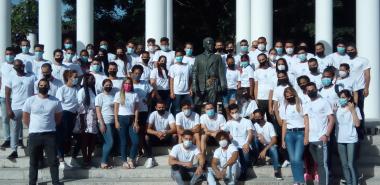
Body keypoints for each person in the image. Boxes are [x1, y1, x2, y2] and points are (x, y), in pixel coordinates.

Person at [23, 79, 62, 185]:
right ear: (38, 86)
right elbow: (25, 118)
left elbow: (58, 118)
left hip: (50, 134)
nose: (43, 87)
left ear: (49, 87)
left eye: (45, 85)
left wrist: (50, 126)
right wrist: (33, 128)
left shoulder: (55, 101)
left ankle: (56, 182)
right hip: (34, 135)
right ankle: (32, 182)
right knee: (33, 161)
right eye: (41, 85)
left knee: (53, 161)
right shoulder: (30, 100)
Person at [303, 82, 335, 185]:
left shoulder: (324, 102)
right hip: (311, 140)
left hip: (321, 139)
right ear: (306, 92)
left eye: (312, 89)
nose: (310, 91)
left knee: (323, 165)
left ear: (316, 89)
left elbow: (331, 119)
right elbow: (307, 122)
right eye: (308, 90)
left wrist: (326, 135)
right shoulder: (306, 104)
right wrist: (306, 137)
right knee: (319, 164)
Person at [5, 59, 36, 159]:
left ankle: (33, 148)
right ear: (14, 67)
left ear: (23, 65)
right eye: (17, 66)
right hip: (15, 107)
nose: (20, 67)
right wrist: (8, 109)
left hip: (29, 107)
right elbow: (7, 94)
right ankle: (14, 150)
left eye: (21, 65)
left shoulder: (32, 76)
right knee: (14, 129)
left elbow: (36, 92)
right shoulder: (11, 77)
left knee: (33, 128)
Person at [280, 87, 307, 185]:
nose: (289, 97)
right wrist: (283, 140)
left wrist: (306, 136)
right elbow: (284, 124)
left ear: (294, 94)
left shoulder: (300, 104)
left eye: (291, 95)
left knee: (297, 158)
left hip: (300, 133)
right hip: (289, 134)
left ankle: (301, 181)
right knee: (292, 159)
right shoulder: (284, 106)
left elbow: (306, 121)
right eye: (287, 96)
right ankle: (296, 181)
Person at [192, 37, 227, 111]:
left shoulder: (217, 57)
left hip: (213, 84)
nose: (211, 45)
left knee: (212, 104)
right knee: (197, 105)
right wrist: (194, 85)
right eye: (208, 44)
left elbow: (221, 72)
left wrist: (223, 85)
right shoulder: (198, 57)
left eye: (212, 44)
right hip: (201, 84)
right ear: (204, 45)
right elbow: (194, 72)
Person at [345, 44, 371, 139]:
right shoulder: (345, 61)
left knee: (359, 109)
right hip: (347, 90)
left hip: (359, 89)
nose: (350, 51)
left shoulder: (363, 60)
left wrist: (366, 88)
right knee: (347, 110)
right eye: (348, 50)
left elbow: (367, 75)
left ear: (356, 50)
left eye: (352, 49)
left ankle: (360, 131)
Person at [336, 90, 361, 185]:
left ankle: (355, 183)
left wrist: (352, 110)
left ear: (349, 98)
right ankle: (349, 182)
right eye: (340, 97)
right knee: (344, 164)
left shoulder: (355, 108)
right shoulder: (337, 108)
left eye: (343, 97)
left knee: (351, 164)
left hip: (351, 139)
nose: (341, 99)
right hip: (340, 139)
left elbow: (357, 124)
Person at [55, 70, 79, 169]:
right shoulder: (62, 89)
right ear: (68, 78)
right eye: (74, 77)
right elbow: (59, 104)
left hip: (75, 115)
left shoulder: (77, 89)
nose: (76, 79)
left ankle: (73, 159)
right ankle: (61, 160)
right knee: (62, 137)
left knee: (76, 138)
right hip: (64, 114)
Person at [114, 77, 140, 169]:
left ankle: (131, 159)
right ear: (123, 84)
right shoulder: (118, 94)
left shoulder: (135, 94)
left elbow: (136, 109)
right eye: (126, 83)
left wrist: (136, 122)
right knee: (123, 142)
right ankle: (124, 161)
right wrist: (116, 121)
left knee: (136, 141)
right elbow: (116, 109)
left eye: (129, 83)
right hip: (121, 119)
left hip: (131, 119)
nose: (128, 85)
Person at [223, 103, 254, 180]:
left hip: (244, 145)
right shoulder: (229, 123)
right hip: (234, 146)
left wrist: (247, 143)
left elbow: (250, 133)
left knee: (245, 159)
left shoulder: (247, 121)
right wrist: (227, 135)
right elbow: (221, 132)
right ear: (230, 113)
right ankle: (229, 175)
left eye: (236, 112)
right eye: (232, 113)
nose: (235, 114)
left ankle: (243, 173)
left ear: (239, 111)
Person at [145, 100, 177, 168]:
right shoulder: (152, 114)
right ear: (156, 107)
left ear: (165, 107)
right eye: (159, 107)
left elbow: (174, 128)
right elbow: (147, 129)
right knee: (146, 137)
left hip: (166, 136)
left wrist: (165, 132)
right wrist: (157, 133)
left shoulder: (169, 114)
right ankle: (150, 158)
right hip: (155, 137)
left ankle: (173, 156)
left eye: (162, 107)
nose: (161, 109)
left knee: (175, 135)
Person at [252, 109, 283, 180]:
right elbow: (252, 136)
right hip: (260, 146)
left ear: (263, 116)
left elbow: (274, 140)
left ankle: (276, 171)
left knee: (273, 148)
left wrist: (265, 149)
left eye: (259, 117)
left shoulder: (269, 125)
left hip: (268, 146)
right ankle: (258, 159)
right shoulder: (255, 125)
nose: (257, 119)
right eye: (255, 117)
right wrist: (258, 136)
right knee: (255, 139)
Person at [76, 73, 98, 167]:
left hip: (93, 116)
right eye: (90, 79)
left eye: (93, 79)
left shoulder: (93, 90)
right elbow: (80, 106)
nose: (92, 81)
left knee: (92, 138)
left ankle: (89, 157)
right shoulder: (81, 91)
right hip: (84, 116)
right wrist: (82, 121)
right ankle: (85, 159)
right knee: (85, 139)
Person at [95, 79, 116, 169]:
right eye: (106, 85)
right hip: (105, 122)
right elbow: (98, 111)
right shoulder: (99, 96)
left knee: (107, 142)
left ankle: (105, 161)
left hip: (113, 122)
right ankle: (103, 162)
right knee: (110, 142)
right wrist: (101, 124)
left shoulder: (113, 96)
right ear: (103, 86)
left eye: (110, 85)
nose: (108, 86)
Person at [0, 47, 16, 149]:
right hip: (3, 96)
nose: (9, 56)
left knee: (15, 119)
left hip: (16, 96)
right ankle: (7, 138)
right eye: (7, 54)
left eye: (11, 54)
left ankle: (18, 139)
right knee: (5, 118)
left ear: (14, 55)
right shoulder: (2, 65)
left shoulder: (18, 65)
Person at [254, 53, 277, 122]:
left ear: (267, 59)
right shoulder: (256, 71)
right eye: (260, 60)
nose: (262, 61)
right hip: (261, 98)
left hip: (272, 98)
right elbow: (256, 86)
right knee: (261, 119)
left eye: (263, 59)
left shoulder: (273, 70)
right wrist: (256, 99)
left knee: (272, 118)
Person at [169, 51, 193, 115]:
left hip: (186, 91)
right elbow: (171, 80)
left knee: (190, 107)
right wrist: (172, 92)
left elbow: (190, 78)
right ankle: (176, 123)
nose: (179, 57)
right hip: (177, 91)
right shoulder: (172, 67)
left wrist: (190, 88)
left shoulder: (188, 66)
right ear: (175, 57)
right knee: (177, 109)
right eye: (177, 56)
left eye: (180, 55)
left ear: (183, 56)